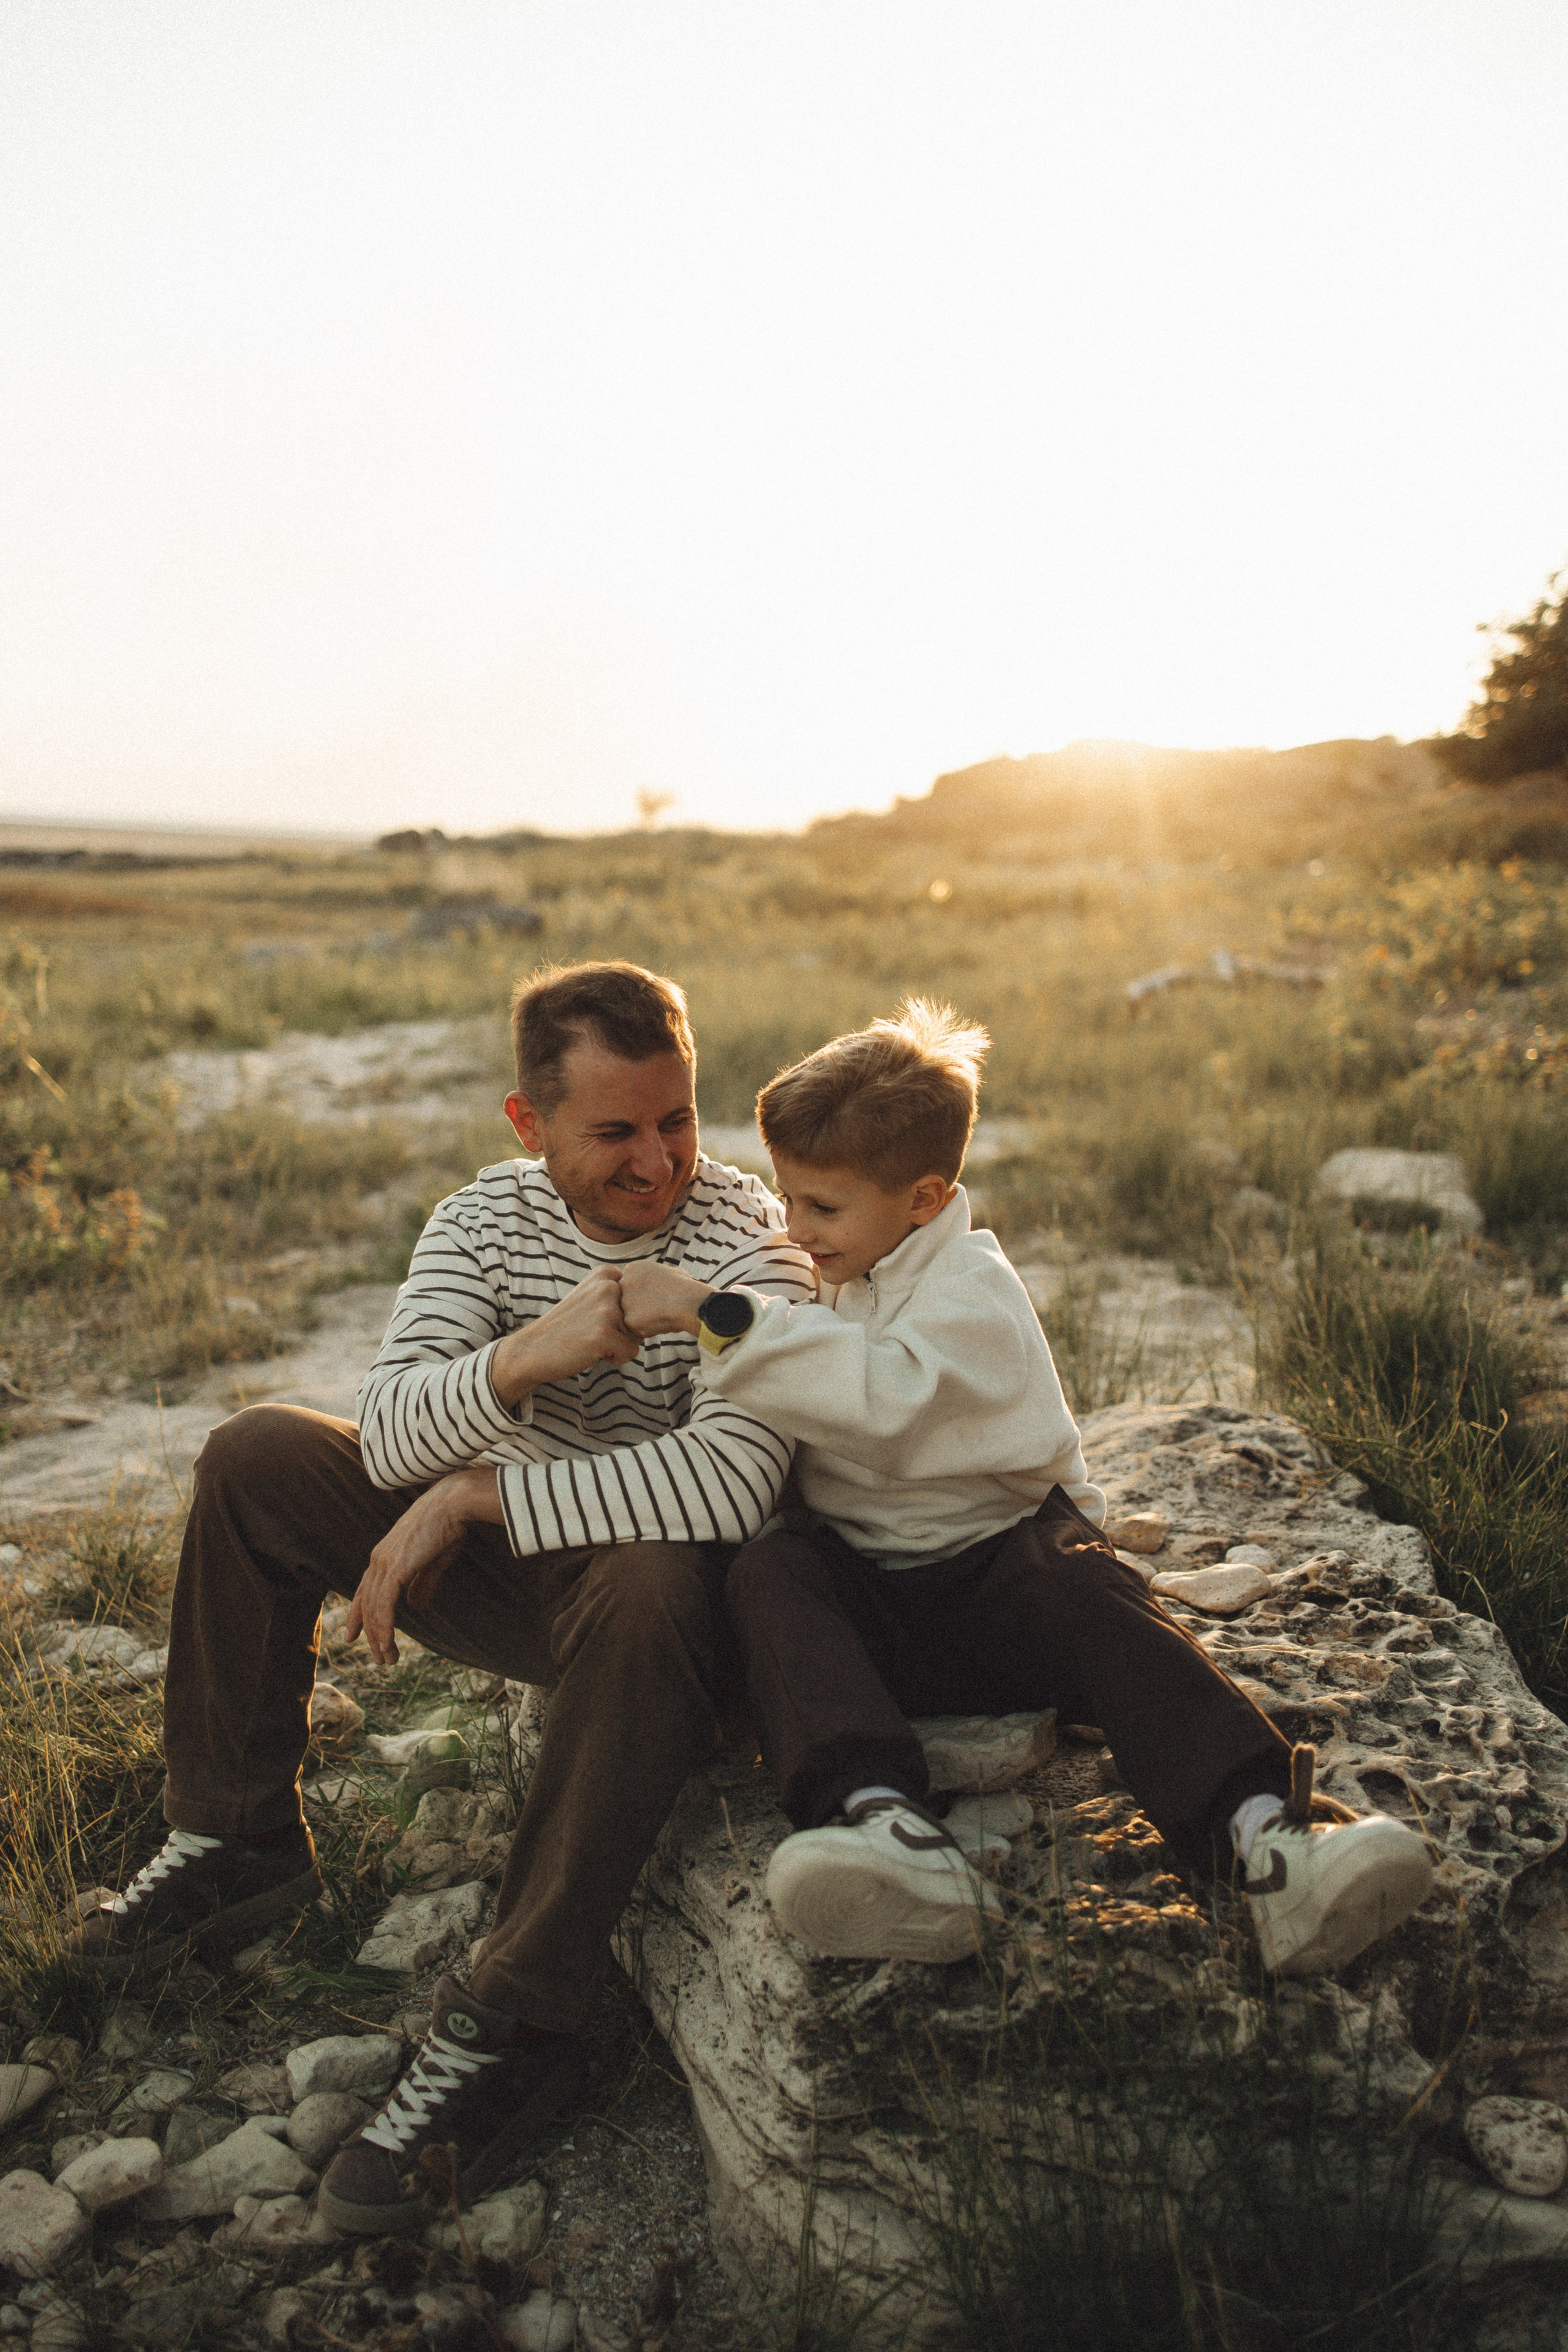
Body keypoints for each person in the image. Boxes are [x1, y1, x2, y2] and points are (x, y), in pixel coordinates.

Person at [68, 961, 814, 2238]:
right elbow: (397, 1423)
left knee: (646, 1574)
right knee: (255, 1454)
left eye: (677, 1119)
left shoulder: (749, 1243)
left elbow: (734, 1487)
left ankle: (518, 2016)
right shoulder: (482, 1221)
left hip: (657, 1612)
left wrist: (481, 1500)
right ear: (528, 1126)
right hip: (519, 1577)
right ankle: (234, 1840)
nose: (659, 1163)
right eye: (615, 1131)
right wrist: (535, 1355)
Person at [618, 999, 1435, 1977]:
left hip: (1004, 1593)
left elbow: (887, 1399)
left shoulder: (972, 1289)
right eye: (789, 1199)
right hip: (876, 1623)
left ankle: (1269, 1841)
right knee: (774, 1571)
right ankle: (887, 1831)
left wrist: (719, 1317)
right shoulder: (833, 1269)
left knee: (1087, 1585)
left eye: (820, 1206)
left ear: (923, 1198)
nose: (794, 1226)